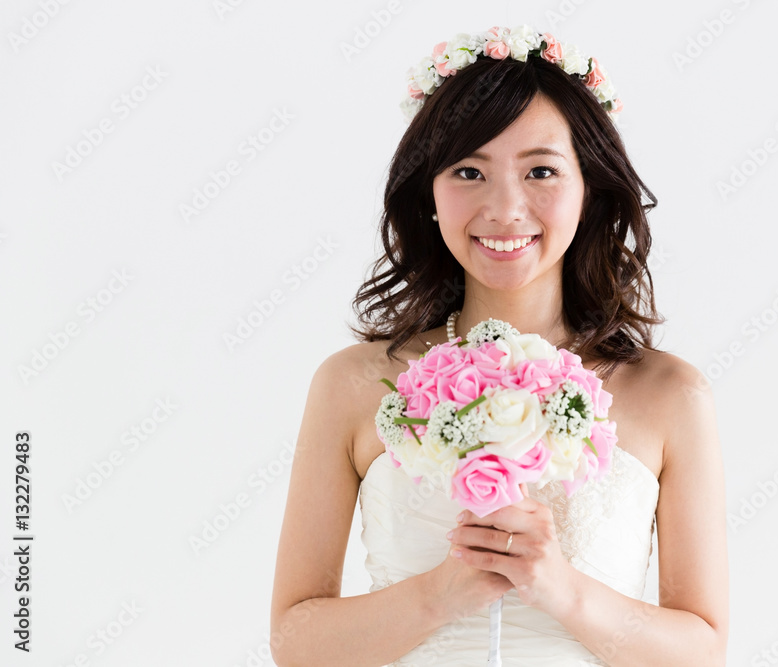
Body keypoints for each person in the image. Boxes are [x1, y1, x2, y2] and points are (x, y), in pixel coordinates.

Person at [269, 25, 728, 666]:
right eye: (468, 171)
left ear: (590, 187)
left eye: (540, 169)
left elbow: (701, 653)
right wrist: (439, 595)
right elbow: (296, 645)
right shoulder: (352, 384)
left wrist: (561, 589)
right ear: (428, 193)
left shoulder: (671, 395)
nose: (506, 209)